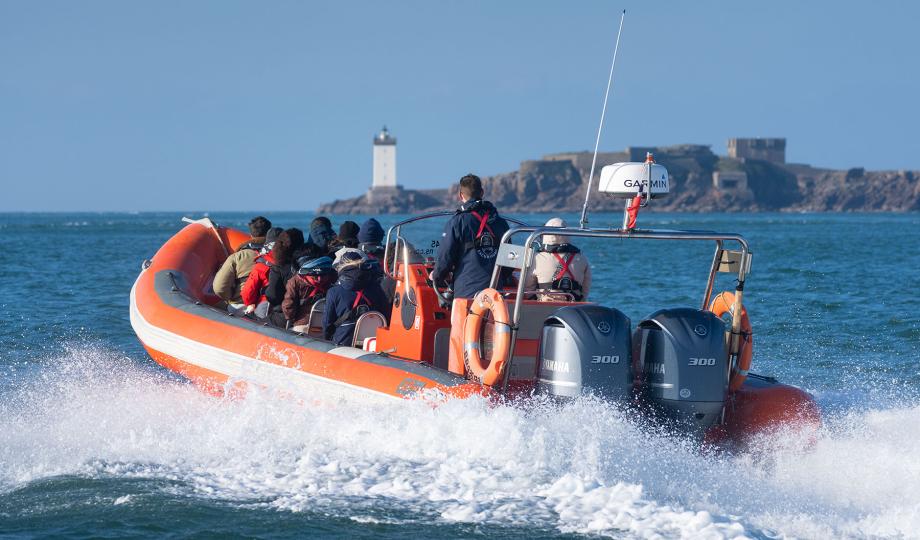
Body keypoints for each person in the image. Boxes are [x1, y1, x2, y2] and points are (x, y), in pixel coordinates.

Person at [430, 174, 510, 299]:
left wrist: (436, 276)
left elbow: (445, 257)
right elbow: (509, 260)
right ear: (482, 192)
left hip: (467, 292)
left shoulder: (457, 222)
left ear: (460, 195)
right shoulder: (501, 223)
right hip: (495, 294)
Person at [323, 252, 389, 346]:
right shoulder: (376, 288)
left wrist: (326, 340)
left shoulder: (334, 292)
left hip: (344, 341)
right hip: (373, 343)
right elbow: (386, 315)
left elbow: (327, 323)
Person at [524, 217, 592, 301]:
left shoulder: (536, 258)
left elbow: (527, 287)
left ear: (546, 233)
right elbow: (586, 289)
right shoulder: (582, 258)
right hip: (573, 306)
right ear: (567, 233)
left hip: (545, 305)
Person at [242, 229, 298, 325]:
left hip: (266, 305)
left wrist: (250, 304)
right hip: (291, 307)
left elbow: (248, 291)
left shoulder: (262, 264)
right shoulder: (294, 262)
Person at [213, 217, 274, 304]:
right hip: (269, 305)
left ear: (251, 234)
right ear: (269, 233)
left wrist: (231, 298)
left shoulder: (238, 257)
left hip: (242, 303)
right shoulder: (279, 255)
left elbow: (219, 288)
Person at [282, 256, 335, 332]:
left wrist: (290, 318)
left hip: (302, 324)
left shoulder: (295, 282)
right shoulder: (333, 280)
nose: (319, 279)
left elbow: (288, 305)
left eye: (322, 275)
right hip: (326, 324)